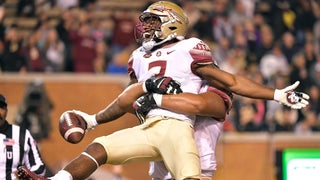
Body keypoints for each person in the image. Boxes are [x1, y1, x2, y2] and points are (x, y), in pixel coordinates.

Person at [16, 1, 309, 180]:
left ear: (172, 23)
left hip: (178, 125)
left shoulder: (188, 47)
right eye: (146, 21)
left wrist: (276, 94)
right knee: (98, 148)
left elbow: (229, 82)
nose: (146, 27)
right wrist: (93, 120)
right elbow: (126, 101)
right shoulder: (138, 57)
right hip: (149, 128)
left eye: (154, 21)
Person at [0, 94, 47, 179]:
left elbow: (39, 167)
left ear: (6, 111)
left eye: (1, 107)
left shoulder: (22, 134)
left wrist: (25, 177)